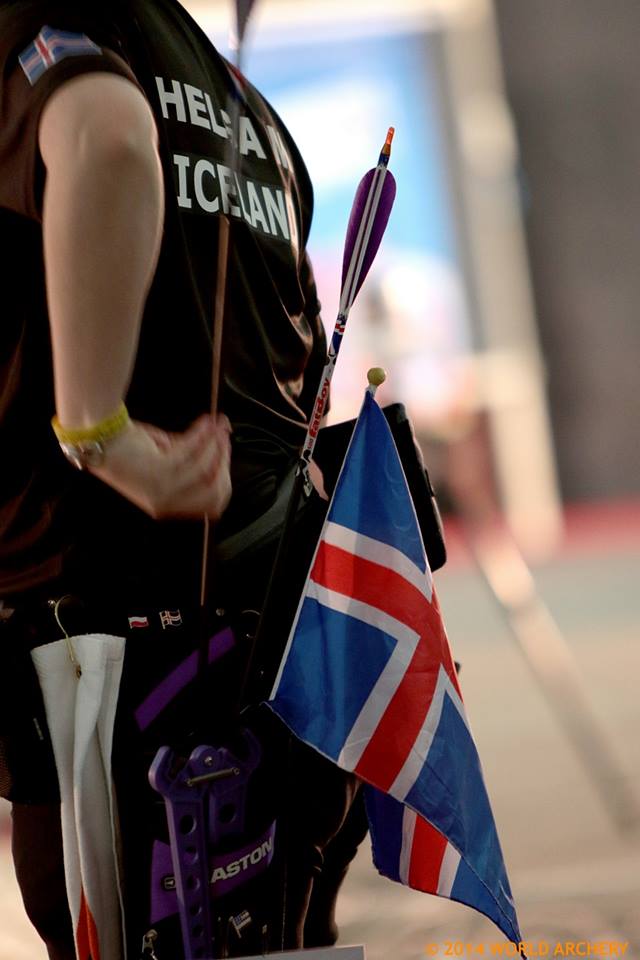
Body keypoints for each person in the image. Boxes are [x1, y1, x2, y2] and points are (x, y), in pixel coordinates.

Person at [0, 1, 365, 957]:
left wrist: (100, 433)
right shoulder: (236, 99)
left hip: (122, 663)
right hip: (274, 643)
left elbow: (109, 139)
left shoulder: (45, 20)